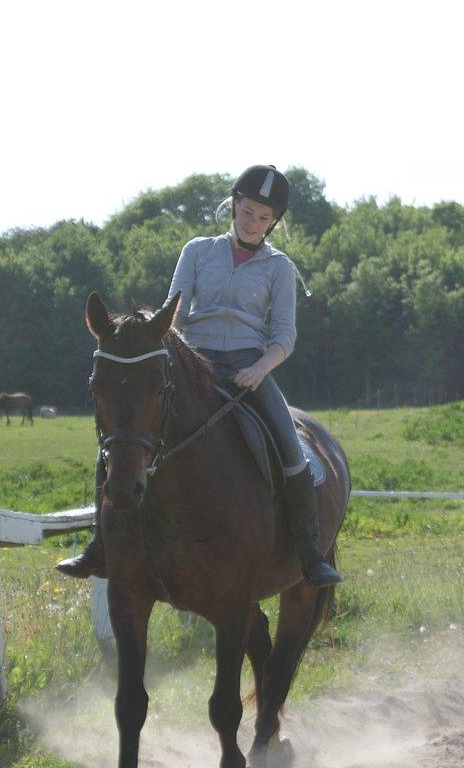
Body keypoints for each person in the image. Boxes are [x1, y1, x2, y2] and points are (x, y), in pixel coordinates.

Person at [57, 165, 341, 589]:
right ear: (233, 205)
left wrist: (260, 369)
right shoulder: (197, 251)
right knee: (123, 437)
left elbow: (284, 335)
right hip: (192, 361)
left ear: (274, 223)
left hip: (250, 367)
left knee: (290, 450)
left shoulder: (280, 268)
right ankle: (101, 546)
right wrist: (173, 355)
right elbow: (175, 312)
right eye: (247, 212)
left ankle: (310, 553)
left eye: (265, 218)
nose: (254, 223)